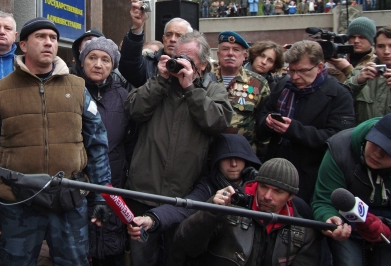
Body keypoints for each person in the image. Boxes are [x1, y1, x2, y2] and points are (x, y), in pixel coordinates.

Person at [0, 17, 111, 266]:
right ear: (24, 45)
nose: (49, 42)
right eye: (41, 37)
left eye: (53, 38)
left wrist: (101, 196)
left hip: (69, 201)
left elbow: (97, 145)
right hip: (17, 202)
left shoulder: (78, 87)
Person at [124, 31, 232, 266]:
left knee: (176, 258)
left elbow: (218, 122)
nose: (180, 63)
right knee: (141, 258)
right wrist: (160, 80)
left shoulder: (213, 91)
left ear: (202, 65)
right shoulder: (158, 84)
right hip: (144, 192)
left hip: (183, 197)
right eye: (177, 56)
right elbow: (134, 110)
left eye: (189, 59)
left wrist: (191, 89)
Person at [258, 40, 355, 203]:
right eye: (292, 70)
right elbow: (263, 115)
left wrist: (294, 130)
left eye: (302, 71)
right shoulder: (284, 85)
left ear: (319, 67)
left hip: (311, 176)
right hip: (276, 169)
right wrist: (267, 123)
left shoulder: (339, 95)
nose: (295, 77)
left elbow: (338, 140)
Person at [173, 158, 319, 265]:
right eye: (263, 187)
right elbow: (185, 244)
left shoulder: (302, 232)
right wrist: (211, 210)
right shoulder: (227, 208)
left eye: (277, 191)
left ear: (291, 196)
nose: (267, 196)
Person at [127, 134, 261, 249]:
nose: (233, 164)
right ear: (217, 161)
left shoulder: (261, 186)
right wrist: (152, 219)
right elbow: (184, 207)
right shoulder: (208, 187)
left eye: (238, 158)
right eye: (227, 158)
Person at [312, 113, 391, 265]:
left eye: (389, 151)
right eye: (375, 143)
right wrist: (328, 218)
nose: (377, 154)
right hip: (347, 219)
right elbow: (324, 199)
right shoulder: (339, 147)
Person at [75, 36, 137, 265]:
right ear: (82, 62)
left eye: (105, 60)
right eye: (92, 58)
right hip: (78, 180)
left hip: (114, 180)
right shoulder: (72, 90)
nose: (98, 64)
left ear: (113, 66)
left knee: (111, 241)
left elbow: (130, 141)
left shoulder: (124, 96)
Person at [213, 31, 270, 152]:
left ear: (244, 56)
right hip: (210, 153)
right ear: (218, 54)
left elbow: (263, 123)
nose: (230, 54)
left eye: (236, 50)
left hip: (243, 154)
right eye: (225, 49)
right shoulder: (205, 81)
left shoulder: (259, 84)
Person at [119, 0, 193, 88]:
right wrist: (137, 27)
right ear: (163, 38)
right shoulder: (149, 64)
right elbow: (129, 65)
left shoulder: (196, 66)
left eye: (179, 36)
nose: (173, 39)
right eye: (169, 35)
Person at [344, 25, 391, 124]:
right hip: (364, 136)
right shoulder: (359, 72)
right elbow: (340, 103)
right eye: (381, 46)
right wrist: (357, 81)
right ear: (374, 48)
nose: (386, 52)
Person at [327, 17, 377, 83]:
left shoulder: (376, 62)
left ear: (371, 40)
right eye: (352, 37)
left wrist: (347, 69)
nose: (356, 41)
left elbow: (368, 91)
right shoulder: (335, 59)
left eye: (361, 37)